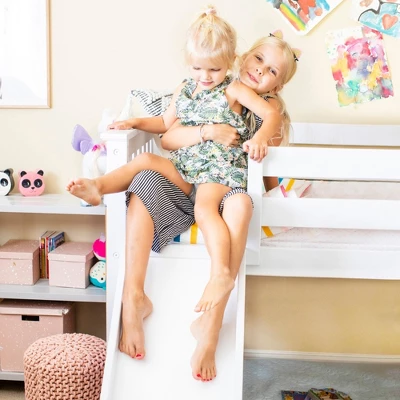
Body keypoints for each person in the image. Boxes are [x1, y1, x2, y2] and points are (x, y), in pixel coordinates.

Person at [67, 9, 298, 382]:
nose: (205, 76)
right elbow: (165, 128)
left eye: (272, 70)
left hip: (218, 173)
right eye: (199, 68)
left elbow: (269, 121)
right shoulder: (187, 88)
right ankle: (99, 187)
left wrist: (257, 139)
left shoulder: (236, 91)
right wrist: (134, 121)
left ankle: (221, 278)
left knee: (210, 210)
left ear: (228, 63)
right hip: (188, 170)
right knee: (145, 161)